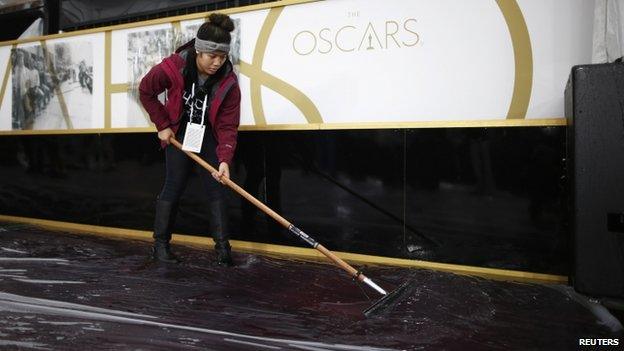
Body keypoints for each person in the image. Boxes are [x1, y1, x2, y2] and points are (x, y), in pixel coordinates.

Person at [139, 13, 241, 266]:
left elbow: (228, 124)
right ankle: (160, 247)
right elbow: (146, 91)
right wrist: (162, 125)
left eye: (222, 56)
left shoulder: (229, 82)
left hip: (208, 134)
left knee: (217, 186)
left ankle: (223, 249)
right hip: (180, 131)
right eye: (212, 56)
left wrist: (225, 159)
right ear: (198, 51)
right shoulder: (174, 67)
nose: (217, 62)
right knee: (173, 185)